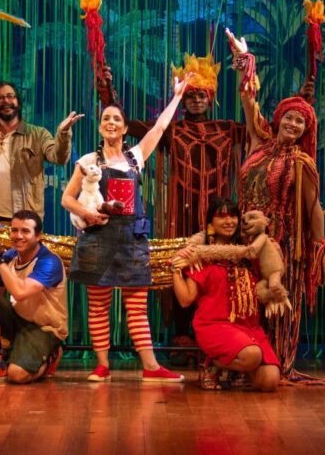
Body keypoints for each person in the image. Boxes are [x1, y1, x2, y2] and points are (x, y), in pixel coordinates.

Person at [97, 57, 245, 358]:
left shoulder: (227, 129)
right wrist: (108, 93)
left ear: (211, 97)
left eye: (201, 95)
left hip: (218, 215)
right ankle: (181, 333)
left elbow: (260, 129)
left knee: (217, 267)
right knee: (182, 264)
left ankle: (216, 329)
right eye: (190, 95)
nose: (196, 100)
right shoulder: (173, 130)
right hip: (182, 211)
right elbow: (132, 127)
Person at [61, 74, 193, 383]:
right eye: (106, 118)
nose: (111, 122)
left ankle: (151, 367)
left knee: (137, 307)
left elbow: (159, 128)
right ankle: (102, 366)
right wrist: (87, 214)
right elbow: (67, 199)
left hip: (132, 240)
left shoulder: (136, 157)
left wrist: (176, 96)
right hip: (97, 240)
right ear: (100, 127)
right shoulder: (88, 161)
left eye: (116, 119)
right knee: (98, 307)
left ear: (124, 128)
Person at [223, 28, 325, 378]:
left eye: (300, 121)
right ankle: (241, 361)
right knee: (243, 301)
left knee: (275, 305)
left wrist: (320, 247)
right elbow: (248, 100)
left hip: (281, 243)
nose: (293, 123)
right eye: (289, 116)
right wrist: (245, 62)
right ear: (279, 118)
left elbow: (314, 208)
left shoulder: (303, 163)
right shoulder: (259, 139)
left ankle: (272, 365)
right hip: (244, 239)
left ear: (306, 130)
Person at [0, 26, 83, 223]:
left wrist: (63, 133)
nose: (6, 101)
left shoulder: (37, 134)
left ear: (18, 102)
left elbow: (59, 157)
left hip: (20, 222)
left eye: (10, 96)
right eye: (0, 98)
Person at [172, 197, 280, 391]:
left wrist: (274, 251)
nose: (229, 221)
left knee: (270, 381)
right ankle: (212, 365)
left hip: (249, 328)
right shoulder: (202, 255)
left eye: (233, 216)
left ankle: (237, 370)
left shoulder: (249, 253)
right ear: (210, 223)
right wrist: (175, 269)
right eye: (221, 216)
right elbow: (185, 299)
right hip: (214, 325)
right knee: (252, 355)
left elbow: (273, 273)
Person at [0, 209, 67, 383]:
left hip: (44, 328)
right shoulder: (10, 255)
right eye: (14, 230)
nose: (18, 236)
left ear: (38, 236)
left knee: (17, 375)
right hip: (18, 319)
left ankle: (52, 354)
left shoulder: (49, 261)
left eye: (25, 231)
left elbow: (20, 293)